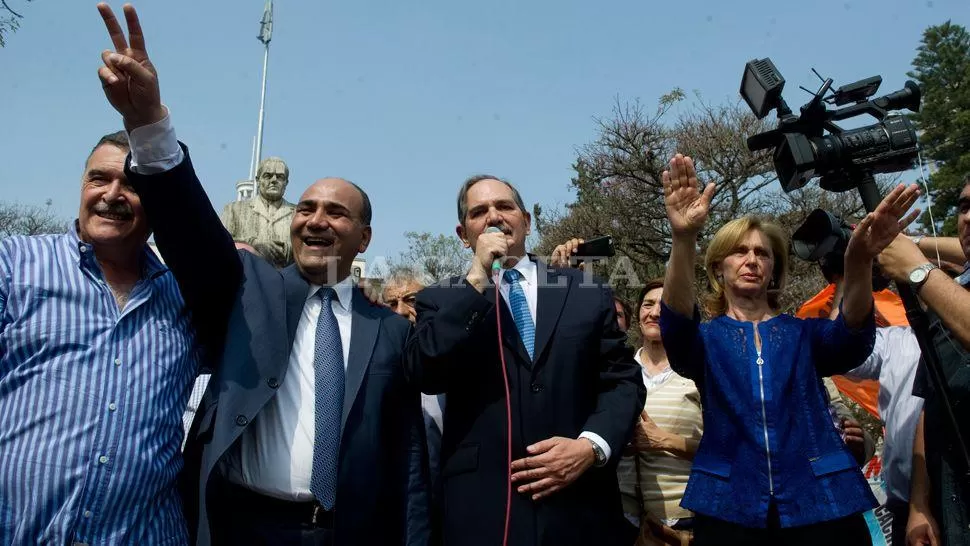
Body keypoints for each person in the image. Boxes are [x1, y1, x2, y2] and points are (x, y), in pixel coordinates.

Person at [93, 5, 429, 546]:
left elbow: (408, 453)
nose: (316, 219)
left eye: (336, 213)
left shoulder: (390, 331)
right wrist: (148, 125)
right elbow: (192, 235)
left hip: (349, 533)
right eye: (306, 208)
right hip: (242, 528)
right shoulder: (249, 288)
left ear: (364, 238)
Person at [658, 153, 920, 546]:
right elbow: (677, 325)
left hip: (823, 503)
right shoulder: (706, 341)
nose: (751, 260)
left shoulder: (804, 334)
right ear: (717, 269)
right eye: (739, 251)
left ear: (774, 270)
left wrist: (859, 261)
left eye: (762, 253)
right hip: (730, 506)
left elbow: (850, 339)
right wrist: (683, 238)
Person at [407, 174, 645, 546]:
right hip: (484, 509)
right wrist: (477, 280)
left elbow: (624, 381)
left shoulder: (585, 291)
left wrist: (590, 446)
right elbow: (427, 371)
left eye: (504, 206)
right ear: (463, 233)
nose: (494, 217)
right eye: (479, 212)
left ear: (526, 221)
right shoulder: (439, 300)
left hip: (580, 506)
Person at [0, 126, 200, 543]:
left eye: (131, 184)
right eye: (99, 179)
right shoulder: (15, 264)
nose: (111, 194)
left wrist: (351, 290)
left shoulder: (188, 298)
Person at [877, 176, 970, 546]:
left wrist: (917, 269)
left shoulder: (941, 290)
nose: (967, 218)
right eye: (964, 207)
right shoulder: (953, 295)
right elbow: (932, 404)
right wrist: (919, 501)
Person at [622, 278, 702, 546]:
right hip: (631, 522)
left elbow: (731, 449)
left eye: (664, 306)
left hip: (689, 520)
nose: (654, 312)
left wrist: (662, 440)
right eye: (647, 304)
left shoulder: (699, 373)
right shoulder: (621, 372)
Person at [221, 156, 297, 268]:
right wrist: (253, 244)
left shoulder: (299, 213)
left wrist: (288, 249)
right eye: (268, 176)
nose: (274, 180)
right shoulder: (233, 210)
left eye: (280, 177)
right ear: (258, 180)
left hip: (285, 279)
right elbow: (218, 243)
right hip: (245, 277)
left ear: (286, 182)